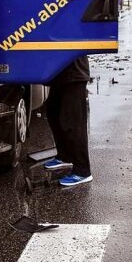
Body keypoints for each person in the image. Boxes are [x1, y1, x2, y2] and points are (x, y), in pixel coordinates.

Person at [41, 57, 93, 187]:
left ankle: (83, 171)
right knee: (53, 113)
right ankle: (65, 156)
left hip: (74, 73)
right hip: (59, 72)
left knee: (73, 122)